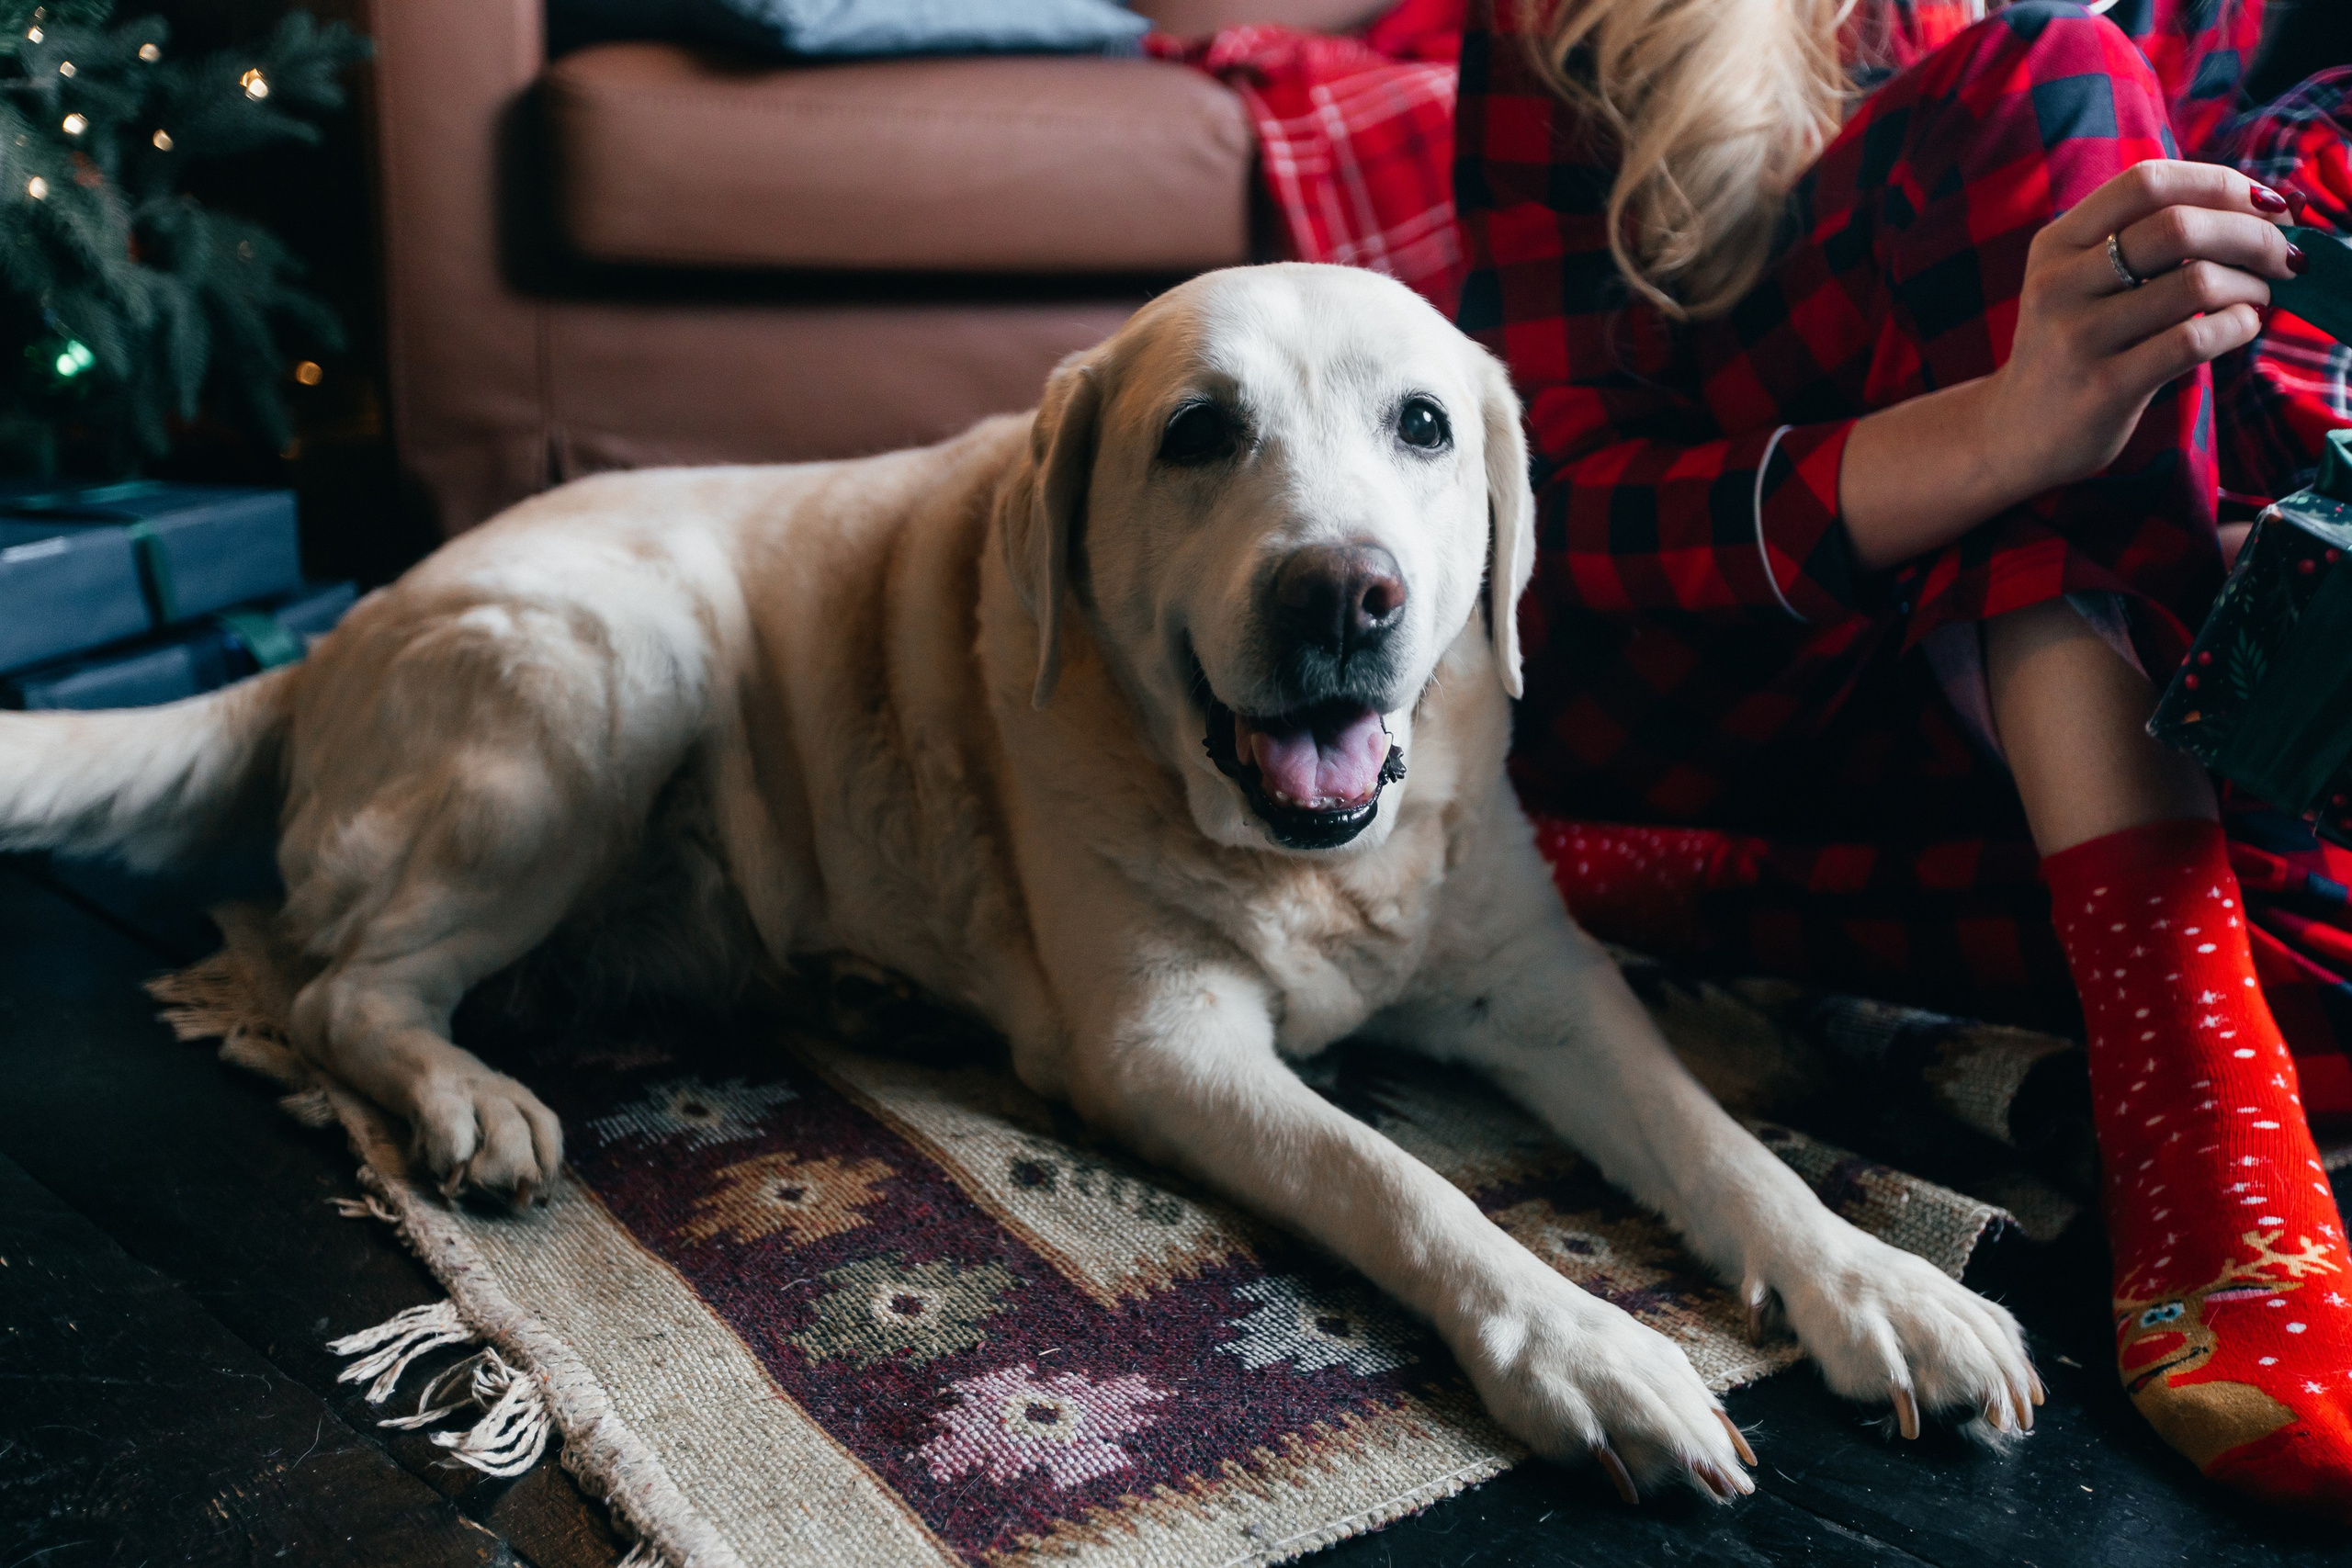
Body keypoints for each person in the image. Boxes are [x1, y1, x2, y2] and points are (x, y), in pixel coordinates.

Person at [1453, 0, 2352, 1517]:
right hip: (1698, 664)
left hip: (2024, 718)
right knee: (2052, 76)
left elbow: (2211, 425)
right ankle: (2182, 1066)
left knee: (2326, 934)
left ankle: (1691, 899)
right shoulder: (1565, 21)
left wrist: (2248, 550)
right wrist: (2003, 432)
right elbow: (1563, 529)